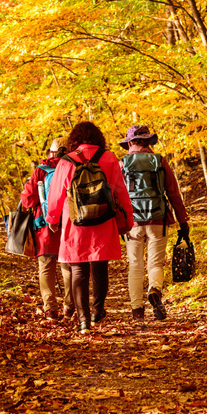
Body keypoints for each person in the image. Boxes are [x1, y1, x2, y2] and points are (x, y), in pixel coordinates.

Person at [45, 121, 132, 334]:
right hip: (103, 219)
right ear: (98, 138)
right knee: (100, 267)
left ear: (74, 140)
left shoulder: (66, 161)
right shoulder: (109, 157)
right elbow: (120, 190)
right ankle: (97, 312)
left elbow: (56, 194)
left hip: (75, 222)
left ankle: (83, 320)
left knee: (78, 269)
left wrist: (52, 219)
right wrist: (128, 219)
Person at [119, 125, 189, 321]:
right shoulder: (159, 161)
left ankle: (137, 310)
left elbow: (116, 194)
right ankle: (154, 290)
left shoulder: (122, 164)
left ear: (130, 142)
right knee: (155, 263)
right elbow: (173, 193)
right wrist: (183, 221)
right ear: (148, 141)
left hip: (132, 223)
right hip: (158, 219)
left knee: (135, 264)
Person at [20, 138, 72, 320]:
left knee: (46, 267)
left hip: (44, 227)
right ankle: (69, 305)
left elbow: (27, 200)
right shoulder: (74, 168)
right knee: (69, 266)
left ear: (51, 152)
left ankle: (50, 309)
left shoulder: (40, 172)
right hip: (70, 225)